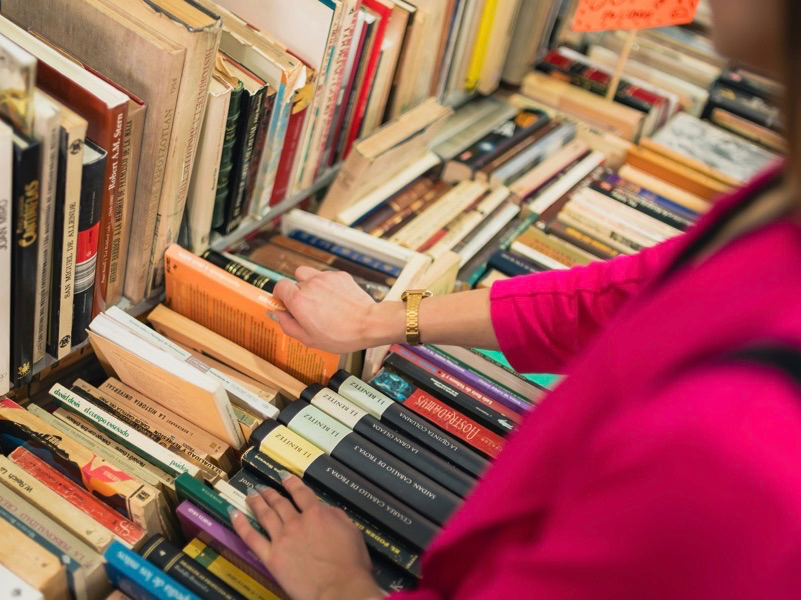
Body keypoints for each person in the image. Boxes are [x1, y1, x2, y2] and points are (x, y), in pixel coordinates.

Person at [230, 0, 801, 597]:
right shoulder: (780, 197)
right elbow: (622, 297)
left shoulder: (734, 455)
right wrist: (380, 318)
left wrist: (339, 587)